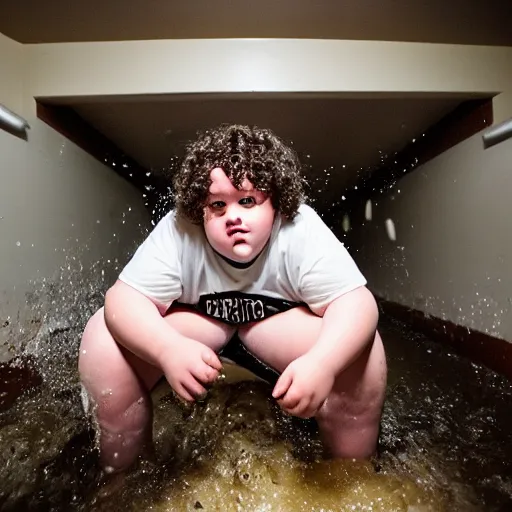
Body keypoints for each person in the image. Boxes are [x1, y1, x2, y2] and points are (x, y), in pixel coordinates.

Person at [78, 124, 387, 475]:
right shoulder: (180, 229)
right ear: (199, 209)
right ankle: (124, 476)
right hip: (198, 338)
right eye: (217, 205)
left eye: (248, 200)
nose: (234, 216)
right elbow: (122, 301)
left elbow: (356, 303)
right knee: (101, 337)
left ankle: (351, 475)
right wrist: (167, 349)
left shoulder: (299, 228)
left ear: (277, 202)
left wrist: (323, 363)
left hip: (277, 338)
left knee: (365, 351)